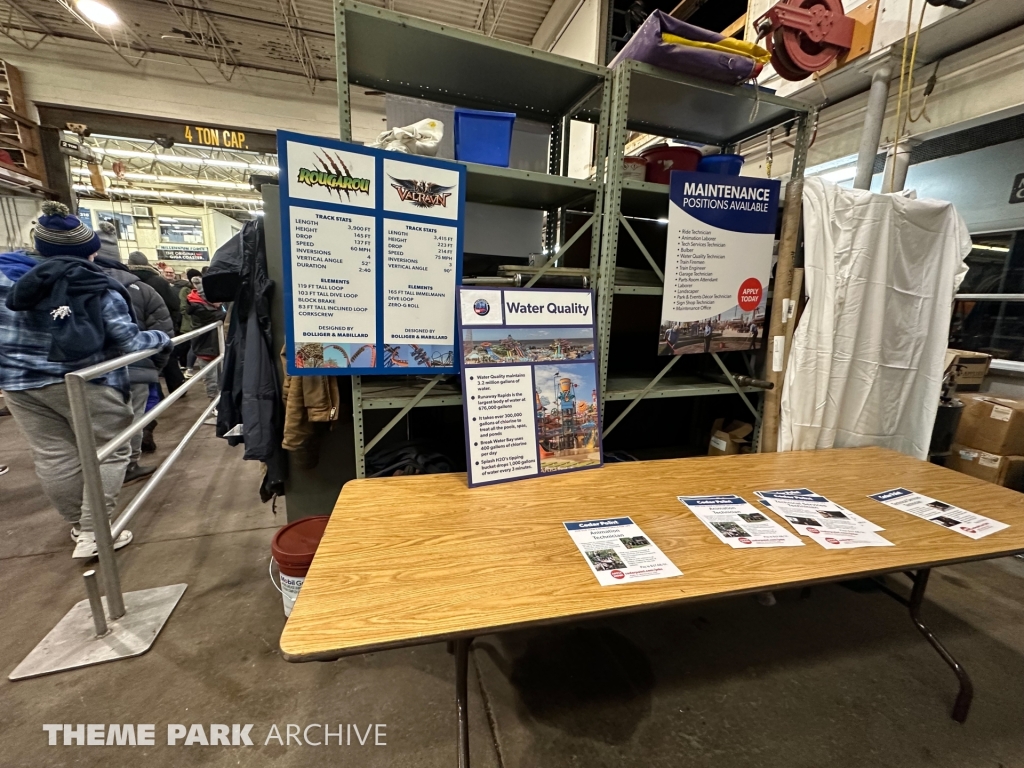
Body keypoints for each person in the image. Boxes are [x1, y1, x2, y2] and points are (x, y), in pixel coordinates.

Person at [0, 202, 170, 558]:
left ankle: (79, 527)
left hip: (18, 383)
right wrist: (161, 338)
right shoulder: (92, 285)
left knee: (53, 455)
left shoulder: (5, 279)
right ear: (90, 251)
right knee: (111, 449)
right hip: (86, 380)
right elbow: (129, 342)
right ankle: (95, 533)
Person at [95, 256, 173, 481]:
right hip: (137, 365)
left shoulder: (74, 285)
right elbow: (164, 326)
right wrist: (155, 366)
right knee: (134, 420)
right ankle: (129, 465)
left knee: (99, 428)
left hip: (93, 372)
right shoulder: (144, 289)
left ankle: (95, 472)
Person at [185, 274, 225, 411]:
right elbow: (217, 317)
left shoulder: (210, 307)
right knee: (211, 377)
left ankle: (220, 401)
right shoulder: (199, 309)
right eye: (218, 300)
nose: (221, 303)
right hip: (205, 348)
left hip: (215, 346)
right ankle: (214, 403)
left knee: (220, 376)